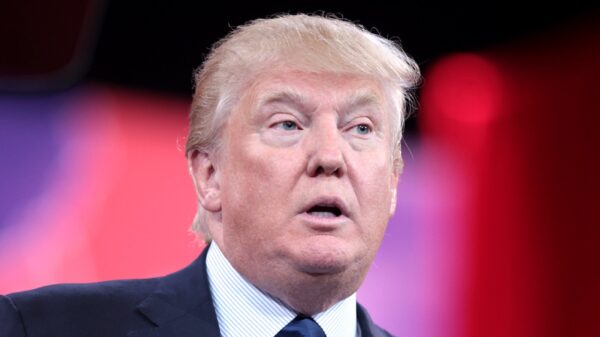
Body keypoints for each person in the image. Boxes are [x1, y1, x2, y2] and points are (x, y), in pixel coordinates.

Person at [0, 13, 420, 337]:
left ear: (393, 181)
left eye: (361, 128)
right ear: (210, 175)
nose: (331, 156)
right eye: (288, 124)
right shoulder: (34, 326)